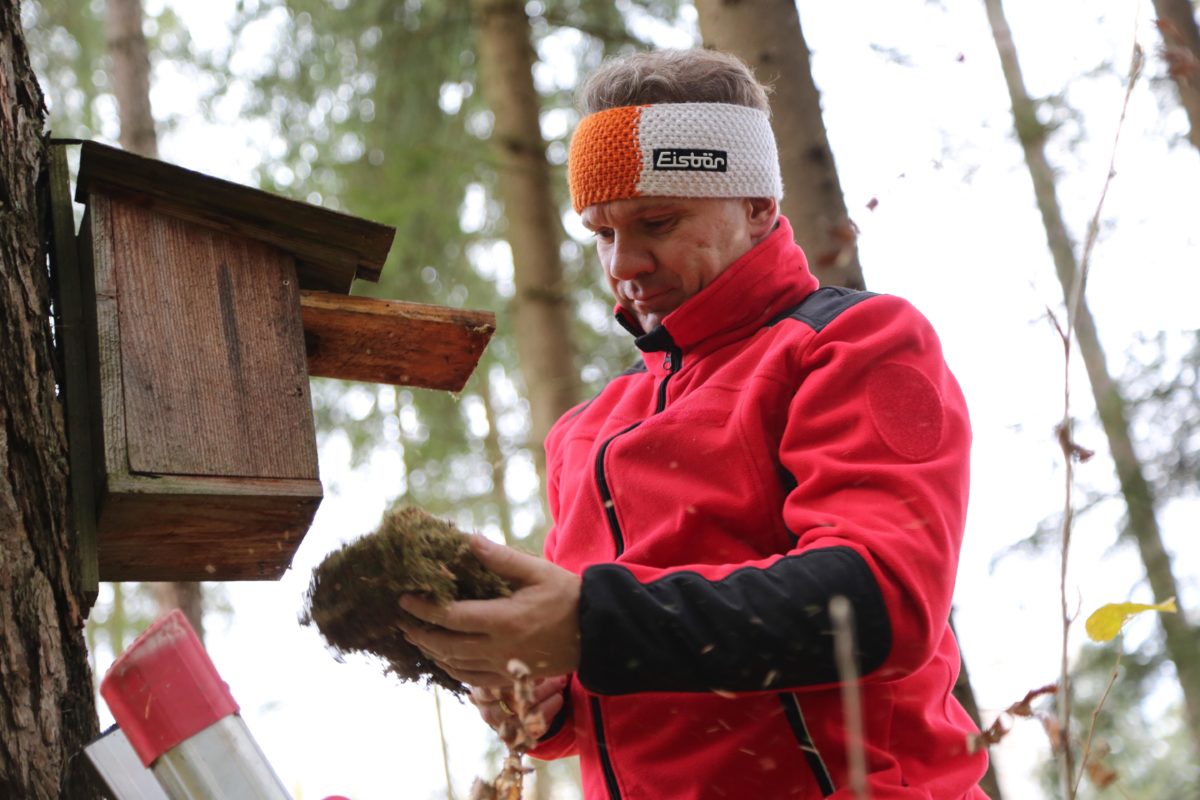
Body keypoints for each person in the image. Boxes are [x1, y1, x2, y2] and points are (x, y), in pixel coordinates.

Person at [399, 48, 989, 799]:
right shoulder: (584, 432)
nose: (625, 265)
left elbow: (880, 600)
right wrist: (541, 696)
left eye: (657, 221)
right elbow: (614, 687)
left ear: (758, 206)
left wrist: (589, 624)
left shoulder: (857, 343)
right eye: (603, 234)